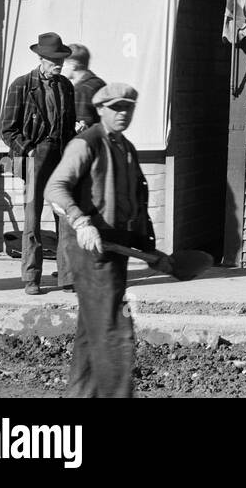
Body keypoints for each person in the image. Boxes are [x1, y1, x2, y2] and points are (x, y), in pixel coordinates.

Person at [45, 83, 154, 398]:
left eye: (128, 108)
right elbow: (54, 188)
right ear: (101, 109)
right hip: (90, 250)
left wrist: (148, 248)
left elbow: (131, 202)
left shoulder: (125, 146)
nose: (123, 113)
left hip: (115, 248)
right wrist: (81, 222)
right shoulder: (86, 143)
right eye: (116, 107)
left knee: (91, 331)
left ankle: (80, 395)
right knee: (113, 329)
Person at [1, 32, 76, 295]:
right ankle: (31, 278)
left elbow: (70, 128)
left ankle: (66, 278)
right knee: (32, 218)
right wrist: (30, 151)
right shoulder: (21, 86)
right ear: (41, 58)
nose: (60, 64)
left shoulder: (66, 86)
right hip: (35, 156)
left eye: (62, 60)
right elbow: (7, 131)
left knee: (65, 217)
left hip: (61, 156)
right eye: (55, 60)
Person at [62, 44, 105, 132]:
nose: (60, 67)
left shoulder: (81, 90)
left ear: (73, 65)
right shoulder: (99, 83)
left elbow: (81, 126)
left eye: (62, 63)